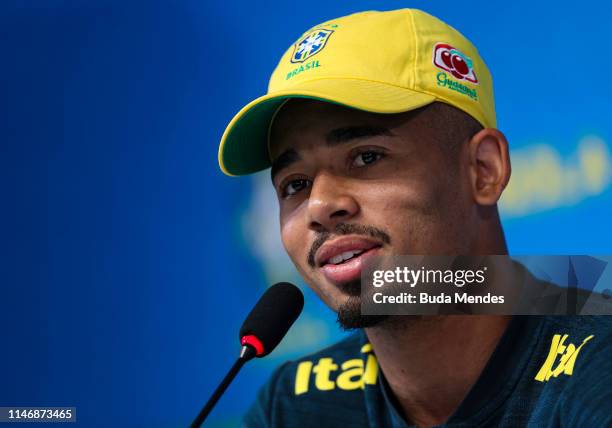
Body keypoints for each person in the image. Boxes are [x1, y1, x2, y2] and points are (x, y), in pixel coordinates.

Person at [217, 9, 612, 428]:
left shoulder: (597, 379)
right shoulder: (295, 407)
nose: (319, 205)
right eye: (295, 184)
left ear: (484, 169)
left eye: (366, 157)